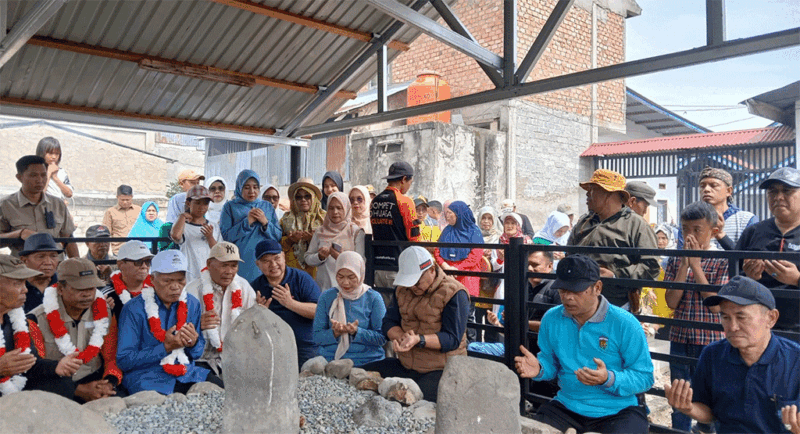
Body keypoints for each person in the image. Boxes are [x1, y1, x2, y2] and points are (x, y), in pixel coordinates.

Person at [515, 255, 654, 433]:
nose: (568, 297)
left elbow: (645, 377)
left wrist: (608, 378)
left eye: (576, 291)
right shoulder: (552, 318)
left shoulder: (624, 323)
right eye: (563, 290)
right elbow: (550, 363)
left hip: (618, 410)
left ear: (597, 287)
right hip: (568, 405)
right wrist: (539, 368)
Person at [665, 276, 800, 433]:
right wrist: (689, 408)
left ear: (771, 318)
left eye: (741, 317)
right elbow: (710, 413)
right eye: (725, 317)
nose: (733, 327)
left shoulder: (795, 361)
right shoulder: (713, 354)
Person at [361, 246, 468, 402]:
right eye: (409, 282)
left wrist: (419, 340)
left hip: (442, 369)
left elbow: (452, 339)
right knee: (361, 374)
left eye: (417, 282)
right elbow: (388, 322)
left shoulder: (454, 292)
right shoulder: (402, 290)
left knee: (414, 396)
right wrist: (401, 337)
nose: (413, 287)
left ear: (431, 270)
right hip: (406, 365)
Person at [117, 250, 222, 395]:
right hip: (147, 378)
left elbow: (197, 354)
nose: (175, 286)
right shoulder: (134, 309)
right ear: (152, 279)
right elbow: (124, 361)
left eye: (180, 280)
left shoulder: (192, 304)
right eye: (167, 281)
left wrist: (193, 343)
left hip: (187, 373)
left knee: (224, 394)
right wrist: (165, 347)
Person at [663, 201, 729, 432]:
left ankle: (705, 429)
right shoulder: (675, 259)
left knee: (710, 393)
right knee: (679, 392)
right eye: (685, 229)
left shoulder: (722, 260)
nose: (689, 235)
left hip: (710, 340)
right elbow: (671, 302)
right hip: (680, 337)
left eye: (697, 230)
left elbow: (716, 306)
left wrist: (696, 267)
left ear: (712, 231)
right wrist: (684, 266)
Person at [28, 258, 122, 402]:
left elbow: (111, 355)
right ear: (60, 289)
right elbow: (34, 370)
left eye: (91, 288)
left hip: (96, 381)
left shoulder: (105, 313)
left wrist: (109, 383)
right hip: (54, 388)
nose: (87, 294)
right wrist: (77, 390)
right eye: (80, 289)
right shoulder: (36, 320)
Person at [569, 169, 660, 311]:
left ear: (609, 194)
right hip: (580, 302)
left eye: (592, 190)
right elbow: (569, 255)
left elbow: (651, 267)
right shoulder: (584, 222)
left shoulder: (636, 225)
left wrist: (615, 275)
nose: (587, 194)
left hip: (616, 305)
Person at [735, 167, 800, 336]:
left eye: (787, 191)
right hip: (758, 329)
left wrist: (797, 279)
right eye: (772, 192)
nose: (778, 197)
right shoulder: (754, 232)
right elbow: (732, 278)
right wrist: (748, 277)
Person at [185, 242, 258, 377]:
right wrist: (197, 325)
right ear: (209, 264)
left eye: (233, 266)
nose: (229, 271)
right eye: (224, 265)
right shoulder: (192, 291)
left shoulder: (243, 287)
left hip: (235, 357)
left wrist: (261, 313)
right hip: (200, 360)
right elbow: (177, 331)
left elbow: (254, 323)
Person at [0, 254, 68, 397]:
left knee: (63, 384)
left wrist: (57, 366)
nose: (25, 289)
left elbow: (29, 365)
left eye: (24, 283)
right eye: (17, 284)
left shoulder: (17, 319)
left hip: (15, 387)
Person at [250, 240, 321, 368]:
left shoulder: (302, 279)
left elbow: (319, 312)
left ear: (284, 257)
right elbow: (249, 325)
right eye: (266, 261)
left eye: (277, 258)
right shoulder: (255, 287)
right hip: (272, 348)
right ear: (257, 264)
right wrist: (260, 313)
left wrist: (290, 303)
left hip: (305, 346)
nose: (273, 265)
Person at [312, 252, 386, 366]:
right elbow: (317, 337)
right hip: (331, 360)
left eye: (351, 277)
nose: (345, 282)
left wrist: (356, 332)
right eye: (340, 276)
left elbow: (382, 338)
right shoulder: (327, 297)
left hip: (367, 360)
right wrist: (334, 333)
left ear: (360, 274)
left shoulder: (373, 298)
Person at [0, 155, 79, 258]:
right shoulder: (6, 205)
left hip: (54, 264)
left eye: (43, 175)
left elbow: (68, 240)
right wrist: (20, 234)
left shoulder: (58, 204)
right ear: (19, 177)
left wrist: (78, 264)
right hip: (21, 265)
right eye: (33, 175)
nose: (40, 180)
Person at [220, 170, 282, 282]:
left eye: (255, 187)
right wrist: (246, 223)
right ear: (239, 187)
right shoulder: (230, 207)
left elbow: (278, 236)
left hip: (265, 260)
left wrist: (265, 223)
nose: (252, 191)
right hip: (240, 260)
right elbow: (226, 237)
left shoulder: (267, 206)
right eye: (246, 187)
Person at [434, 201, 483, 341]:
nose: (447, 216)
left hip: (467, 278)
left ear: (459, 214)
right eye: (446, 213)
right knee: (448, 313)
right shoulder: (447, 230)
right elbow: (437, 250)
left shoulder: (474, 231)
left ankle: (470, 346)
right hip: (448, 276)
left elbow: (476, 255)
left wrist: (458, 268)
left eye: (450, 213)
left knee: (468, 315)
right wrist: (445, 266)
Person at [678, 166, 758, 250]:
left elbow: (750, 256)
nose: (706, 189)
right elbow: (680, 254)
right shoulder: (690, 220)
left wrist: (720, 235)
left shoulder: (746, 220)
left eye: (714, 185)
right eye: (702, 186)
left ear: (729, 191)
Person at [370, 161, 421, 289]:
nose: (409, 186)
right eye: (410, 182)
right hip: (398, 267)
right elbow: (414, 236)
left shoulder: (375, 201)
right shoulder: (405, 201)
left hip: (378, 266)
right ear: (404, 179)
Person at [305, 192, 365, 291]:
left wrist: (340, 257)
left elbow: (361, 263)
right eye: (331, 208)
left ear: (346, 208)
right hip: (324, 288)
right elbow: (308, 258)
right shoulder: (320, 231)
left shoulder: (355, 232)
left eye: (339, 208)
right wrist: (320, 256)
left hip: (347, 288)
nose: (335, 212)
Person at [171, 185, 220, 282]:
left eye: (205, 203)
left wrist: (210, 237)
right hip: (189, 275)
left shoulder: (213, 226)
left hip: (208, 275)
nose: (202, 207)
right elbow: (176, 236)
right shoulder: (183, 226)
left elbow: (218, 250)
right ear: (188, 203)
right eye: (197, 203)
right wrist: (182, 216)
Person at [280, 177, 325, 278]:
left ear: (314, 198)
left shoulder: (324, 218)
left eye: (307, 196)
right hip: (291, 273)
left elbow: (330, 245)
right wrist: (290, 240)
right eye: (298, 197)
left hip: (318, 273)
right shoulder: (285, 219)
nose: (303, 200)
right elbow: (277, 247)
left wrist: (314, 239)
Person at [102, 240, 154, 318]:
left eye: (148, 261)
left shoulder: (157, 290)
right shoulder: (108, 295)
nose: (144, 266)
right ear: (121, 264)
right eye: (138, 261)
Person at [19, 233, 62, 313]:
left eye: (53, 256)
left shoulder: (64, 284)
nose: (48, 262)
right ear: (24, 260)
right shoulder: (15, 287)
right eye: (41, 257)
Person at [103, 185, 141, 255]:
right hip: (118, 250)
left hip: (137, 249)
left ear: (132, 197)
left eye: (127, 200)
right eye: (122, 200)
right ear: (117, 197)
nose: (125, 202)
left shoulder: (139, 210)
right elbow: (106, 233)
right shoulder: (110, 212)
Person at [35, 137, 73, 201]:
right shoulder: (34, 171)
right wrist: (48, 173)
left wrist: (55, 178)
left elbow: (69, 194)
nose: (54, 157)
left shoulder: (61, 172)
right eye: (50, 153)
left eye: (57, 154)